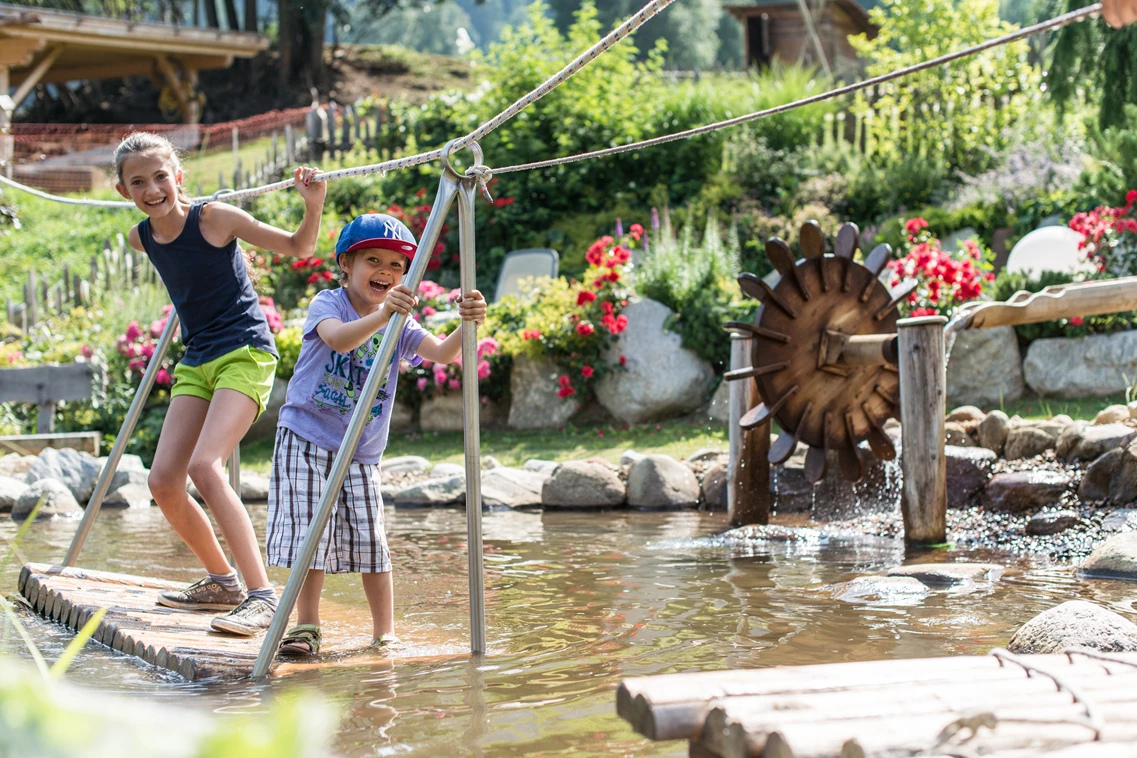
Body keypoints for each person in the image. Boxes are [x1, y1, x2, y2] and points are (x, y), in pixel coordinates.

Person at [114, 131, 326, 635]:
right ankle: (222, 582)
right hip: (198, 360)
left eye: (160, 176)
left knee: (205, 467)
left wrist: (312, 204)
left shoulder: (214, 218)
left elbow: (301, 247)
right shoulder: (139, 236)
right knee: (163, 482)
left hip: (245, 353)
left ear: (179, 177)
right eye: (138, 182)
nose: (152, 189)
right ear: (124, 192)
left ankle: (262, 597)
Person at [265, 213, 486, 656]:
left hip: (361, 452)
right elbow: (340, 341)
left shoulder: (399, 322)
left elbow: (444, 354)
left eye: (396, 266)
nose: (385, 272)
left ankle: (384, 632)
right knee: (314, 536)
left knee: (371, 541)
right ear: (346, 264)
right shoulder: (328, 305)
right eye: (373, 260)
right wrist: (385, 315)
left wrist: (470, 323)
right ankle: (307, 626)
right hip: (307, 435)